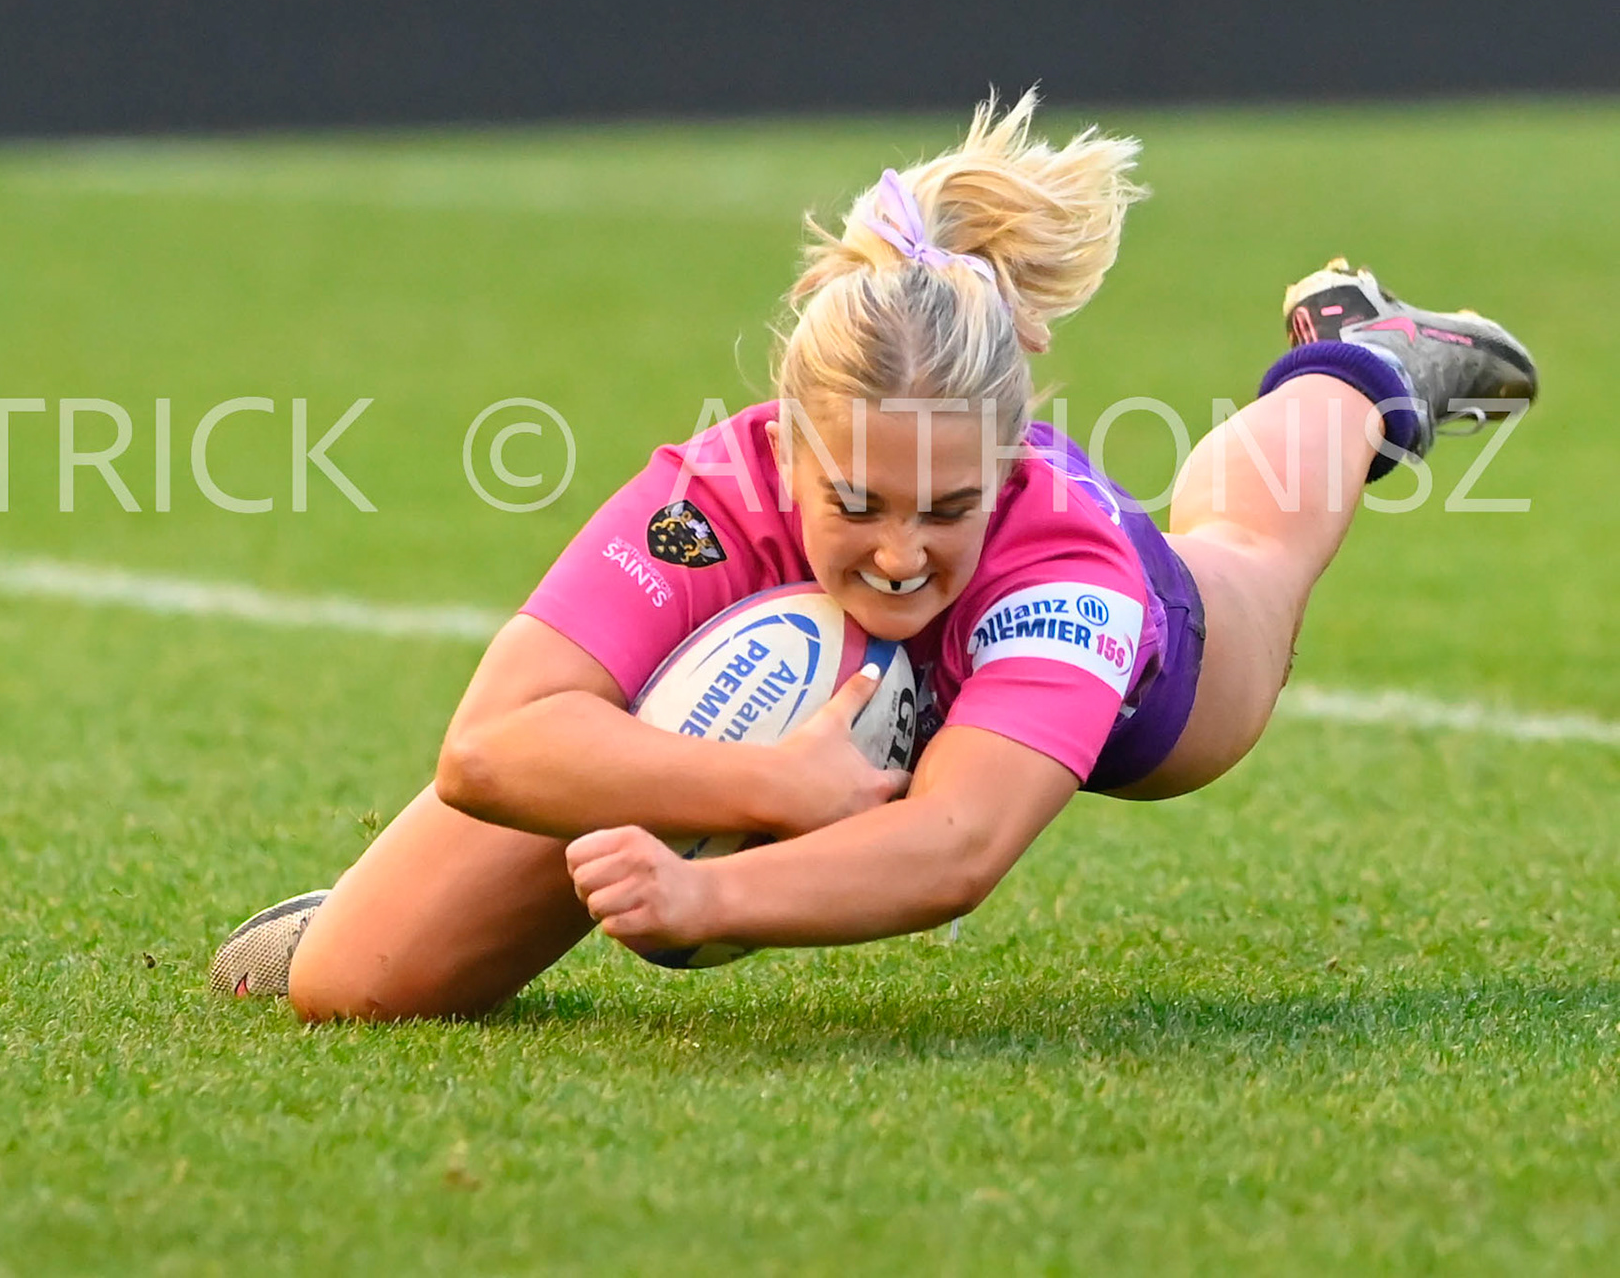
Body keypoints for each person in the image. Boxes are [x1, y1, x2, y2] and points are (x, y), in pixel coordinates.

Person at [208, 94, 1537, 1019]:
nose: (901, 554)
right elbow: (488, 746)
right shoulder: (718, 488)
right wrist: (760, 779)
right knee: (351, 987)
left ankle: (1360, 359)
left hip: (1155, 689)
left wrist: (704, 890)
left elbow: (954, 842)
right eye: (857, 502)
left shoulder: (1066, 565)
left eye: (948, 506)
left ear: (1009, 472)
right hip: (782, 743)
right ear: (787, 452)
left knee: (1248, 541)